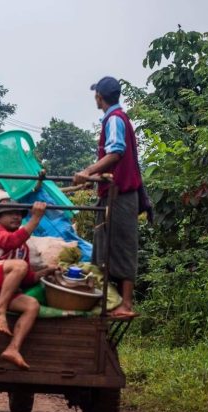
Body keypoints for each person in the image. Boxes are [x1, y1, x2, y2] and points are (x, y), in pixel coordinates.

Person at [73, 76, 146, 319]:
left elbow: (115, 152)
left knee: (123, 246)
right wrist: (96, 175)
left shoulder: (114, 119)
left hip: (121, 195)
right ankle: (109, 300)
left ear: (99, 97)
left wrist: (87, 172)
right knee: (105, 245)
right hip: (115, 193)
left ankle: (125, 304)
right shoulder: (117, 118)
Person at [0, 200, 57, 370]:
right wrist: (35, 219)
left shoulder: (23, 248)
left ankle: (13, 349)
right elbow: (9, 242)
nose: (16, 216)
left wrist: (44, 272)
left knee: (32, 305)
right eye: (10, 213)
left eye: (19, 214)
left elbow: (26, 278)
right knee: (19, 265)